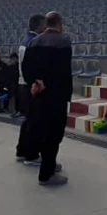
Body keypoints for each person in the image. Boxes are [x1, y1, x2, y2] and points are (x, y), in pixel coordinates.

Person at [22, 11, 72, 187]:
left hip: (39, 96)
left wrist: (36, 81)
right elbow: (63, 72)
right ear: (59, 24)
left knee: (43, 133)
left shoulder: (35, 41)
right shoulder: (64, 41)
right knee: (54, 136)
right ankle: (46, 174)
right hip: (56, 97)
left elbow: (26, 67)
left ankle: (48, 164)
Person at [15, 14, 47, 163]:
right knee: (34, 121)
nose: (46, 28)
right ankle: (32, 155)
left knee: (28, 120)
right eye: (44, 25)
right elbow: (33, 68)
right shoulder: (34, 42)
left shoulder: (25, 41)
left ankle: (21, 150)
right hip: (30, 86)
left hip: (23, 85)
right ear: (39, 26)